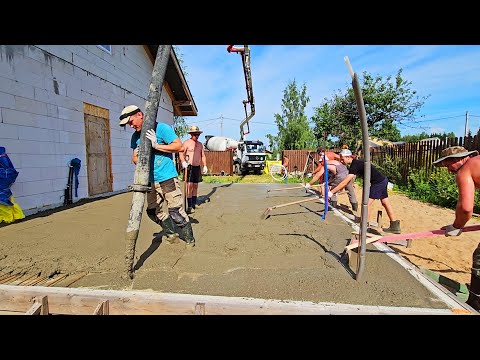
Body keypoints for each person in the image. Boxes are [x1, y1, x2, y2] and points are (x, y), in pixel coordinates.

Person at [119, 105, 196, 247]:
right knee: (153, 211)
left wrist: (156, 145)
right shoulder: (135, 137)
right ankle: (171, 233)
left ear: (140, 115)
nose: (130, 126)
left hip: (167, 178)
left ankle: (190, 241)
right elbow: (134, 159)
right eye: (128, 124)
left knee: (176, 212)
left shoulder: (161, 129)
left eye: (131, 122)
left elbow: (179, 146)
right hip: (150, 180)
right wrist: (140, 154)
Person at [432, 146, 480, 311]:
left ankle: (476, 302)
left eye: (447, 165)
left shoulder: (465, 170)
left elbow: (466, 208)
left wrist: (456, 226)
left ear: (458, 159)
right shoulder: (477, 163)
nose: (448, 170)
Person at [328, 148, 401, 233]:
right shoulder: (356, 164)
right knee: (385, 202)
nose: (341, 160)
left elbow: (345, 182)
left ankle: (364, 225)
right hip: (382, 180)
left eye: (342, 158)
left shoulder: (355, 165)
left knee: (366, 204)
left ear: (348, 157)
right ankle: (394, 225)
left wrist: (332, 192)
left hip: (377, 182)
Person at [179, 125, 208, 214]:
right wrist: (183, 162)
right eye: (195, 134)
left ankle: (194, 203)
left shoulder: (199, 144)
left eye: (198, 134)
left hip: (197, 167)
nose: (197, 136)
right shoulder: (187, 143)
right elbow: (181, 153)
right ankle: (189, 205)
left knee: (195, 186)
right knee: (189, 186)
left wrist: (205, 165)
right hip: (189, 167)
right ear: (191, 134)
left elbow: (203, 155)